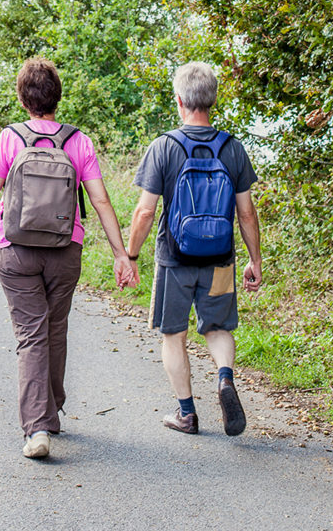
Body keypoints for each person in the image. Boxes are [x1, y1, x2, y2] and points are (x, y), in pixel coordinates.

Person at [0, 57, 135, 459]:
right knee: (55, 328)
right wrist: (121, 253)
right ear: (57, 98)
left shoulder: (10, 138)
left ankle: (38, 428)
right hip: (65, 250)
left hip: (16, 250)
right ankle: (53, 408)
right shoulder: (78, 141)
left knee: (31, 335)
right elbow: (99, 199)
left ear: (23, 98)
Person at [126, 61, 262, 437]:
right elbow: (247, 213)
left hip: (175, 258)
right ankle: (224, 378)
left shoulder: (164, 146)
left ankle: (187, 414)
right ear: (212, 100)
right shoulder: (232, 148)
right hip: (219, 258)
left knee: (174, 334)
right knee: (218, 327)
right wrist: (255, 260)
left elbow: (145, 211)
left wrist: (131, 256)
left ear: (180, 99)